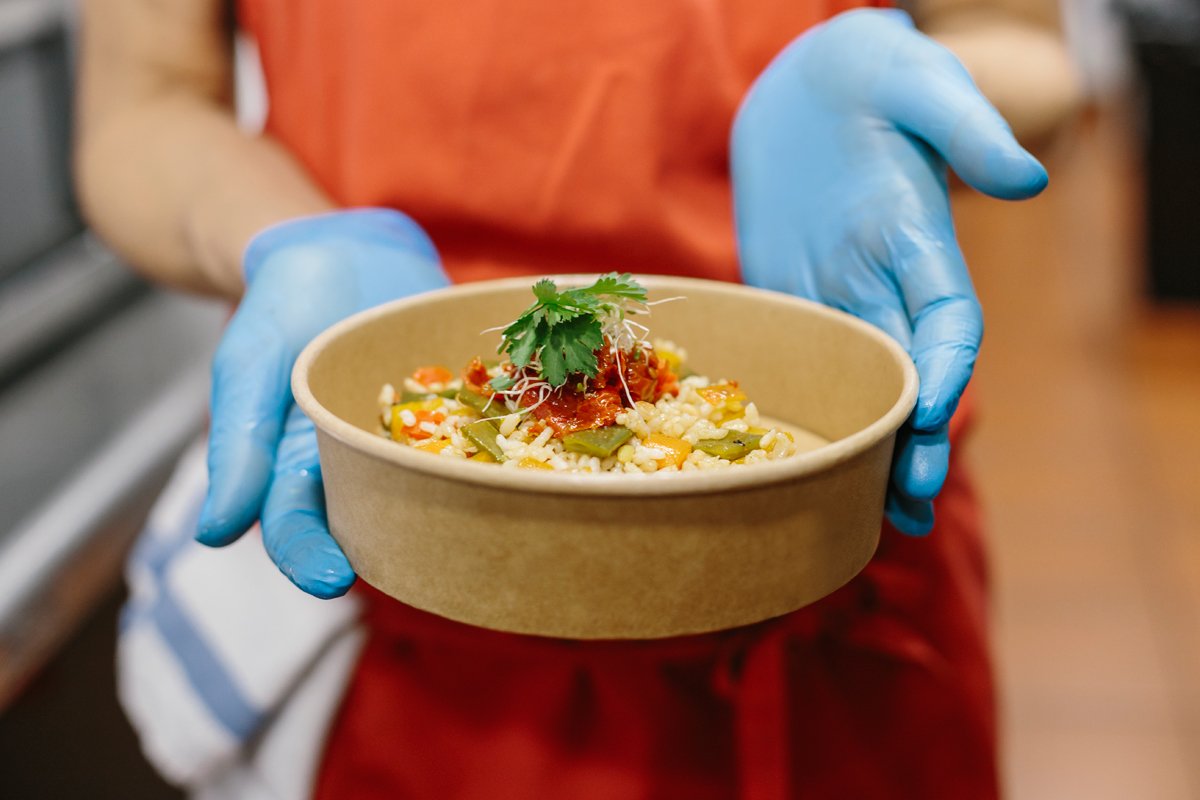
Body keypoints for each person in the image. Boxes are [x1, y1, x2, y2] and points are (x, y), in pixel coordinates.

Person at [76, 1, 1078, 798]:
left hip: (833, 556)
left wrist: (892, 77)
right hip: (425, 591)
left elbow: (1030, 44)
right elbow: (144, 103)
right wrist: (285, 237)